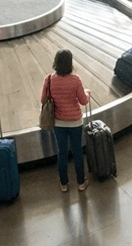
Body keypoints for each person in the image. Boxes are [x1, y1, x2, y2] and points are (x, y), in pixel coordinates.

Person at [40, 49, 91, 192]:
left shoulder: (49, 79)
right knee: (77, 152)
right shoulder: (76, 80)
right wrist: (87, 93)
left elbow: (43, 100)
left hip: (58, 122)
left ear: (55, 62)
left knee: (62, 153)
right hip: (75, 122)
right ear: (70, 63)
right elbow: (83, 101)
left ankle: (63, 184)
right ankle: (81, 183)